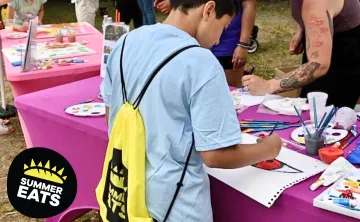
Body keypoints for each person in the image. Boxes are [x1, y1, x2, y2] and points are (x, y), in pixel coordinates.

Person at [100, 0, 282, 221]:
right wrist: (269, 149)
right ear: (209, 9)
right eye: (223, 28)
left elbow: (112, 118)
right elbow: (216, 155)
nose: (218, 40)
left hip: (124, 194)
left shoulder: (125, 42)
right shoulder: (201, 62)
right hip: (174, 206)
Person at [241, 0, 360, 108]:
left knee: (324, 115)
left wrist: (270, 85)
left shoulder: (316, 3)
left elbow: (318, 65)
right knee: (309, 102)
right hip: (335, 37)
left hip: (346, 51)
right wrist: (303, 29)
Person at [155, 0, 256, 88]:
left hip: (227, 45)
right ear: (208, 11)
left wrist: (243, 44)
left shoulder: (145, 37)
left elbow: (249, 6)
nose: (217, 41)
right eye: (224, 26)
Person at [211, 0, 256, 87]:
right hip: (197, 42)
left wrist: (243, 44)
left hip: (228, 43)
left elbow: (249, 6)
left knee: (232, 91)